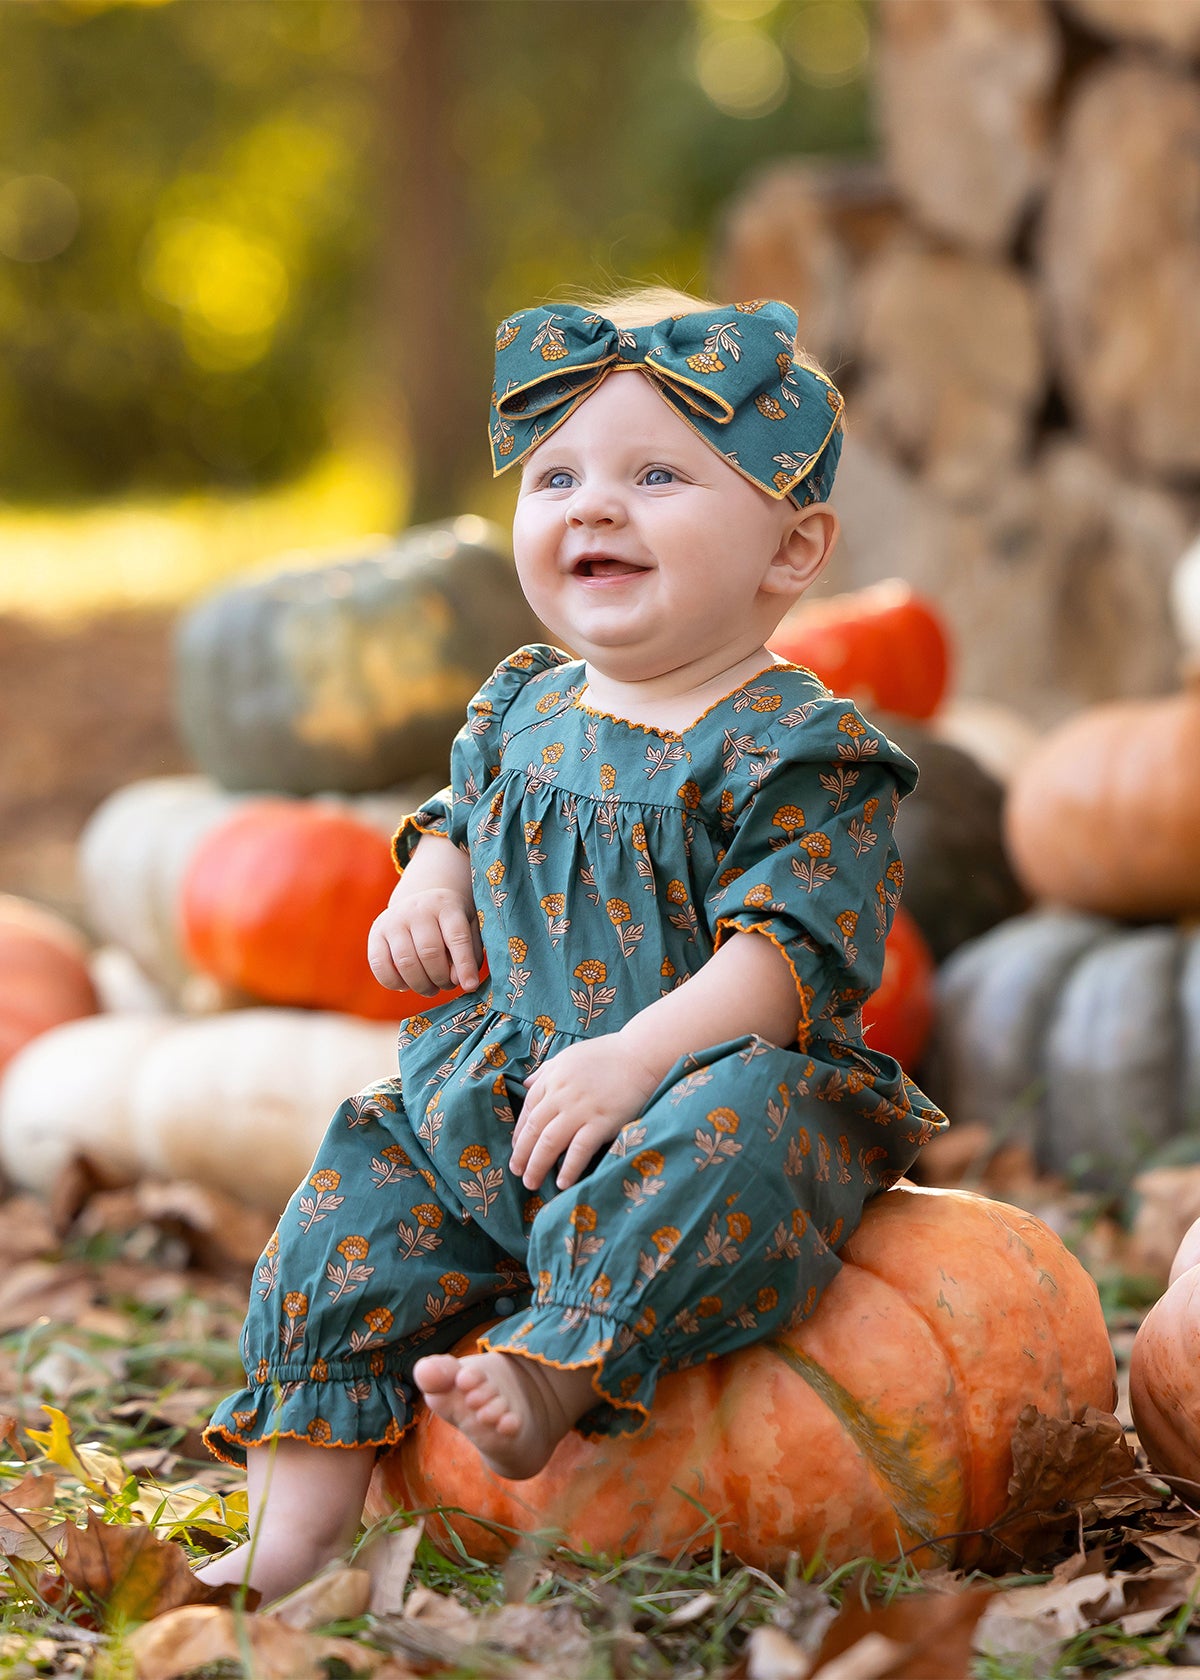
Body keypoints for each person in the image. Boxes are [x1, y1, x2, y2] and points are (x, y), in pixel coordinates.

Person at [199, 287, 947, 1600]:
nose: (593, 506)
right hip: (505, 1092)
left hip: (702, 1088)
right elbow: (459, 813)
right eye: (557, 476)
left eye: (658, 474)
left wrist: (638, 1060)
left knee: (745, 1134)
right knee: (354, 1194)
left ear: (791, 549)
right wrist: (428, 881)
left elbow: (783, 960)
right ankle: (284, 1541)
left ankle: (558, 1363)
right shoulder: (519, 702)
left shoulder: (801, 752)